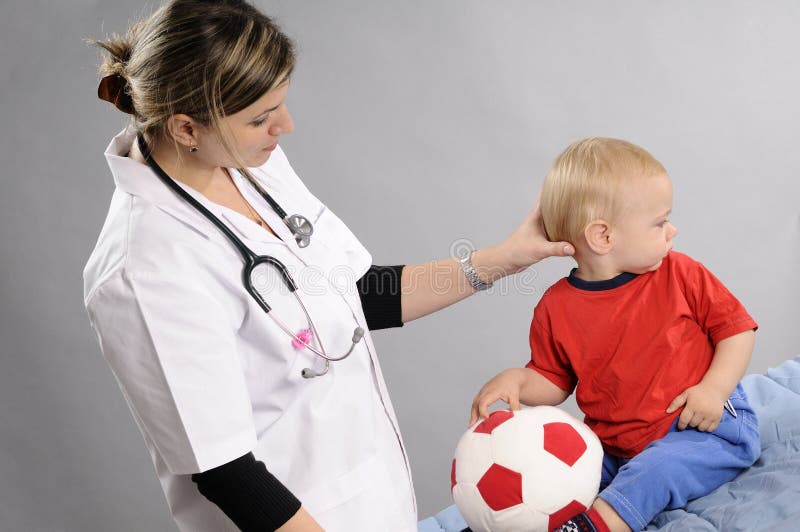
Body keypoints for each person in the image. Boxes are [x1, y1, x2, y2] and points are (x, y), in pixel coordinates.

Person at [83, 1, 574, 530]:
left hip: (374, 503)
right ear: (185, 129)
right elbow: (228, 473)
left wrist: (504, 259)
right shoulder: (145, 270)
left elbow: (356, 295)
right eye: (262, 117)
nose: (286, 126)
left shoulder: (247, 162)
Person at [469, 138, 761, 532]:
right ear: (603, 237)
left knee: (656, 470)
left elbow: (737, 331)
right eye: (659, 222)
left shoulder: (680, 273)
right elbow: (555, 380)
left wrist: (714, 390)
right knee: (557, 475)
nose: (672, 229)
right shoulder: (557, 306)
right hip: (616, 445)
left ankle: (599, 526)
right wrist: (518, 381)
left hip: (701, 431)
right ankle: (503, 523)